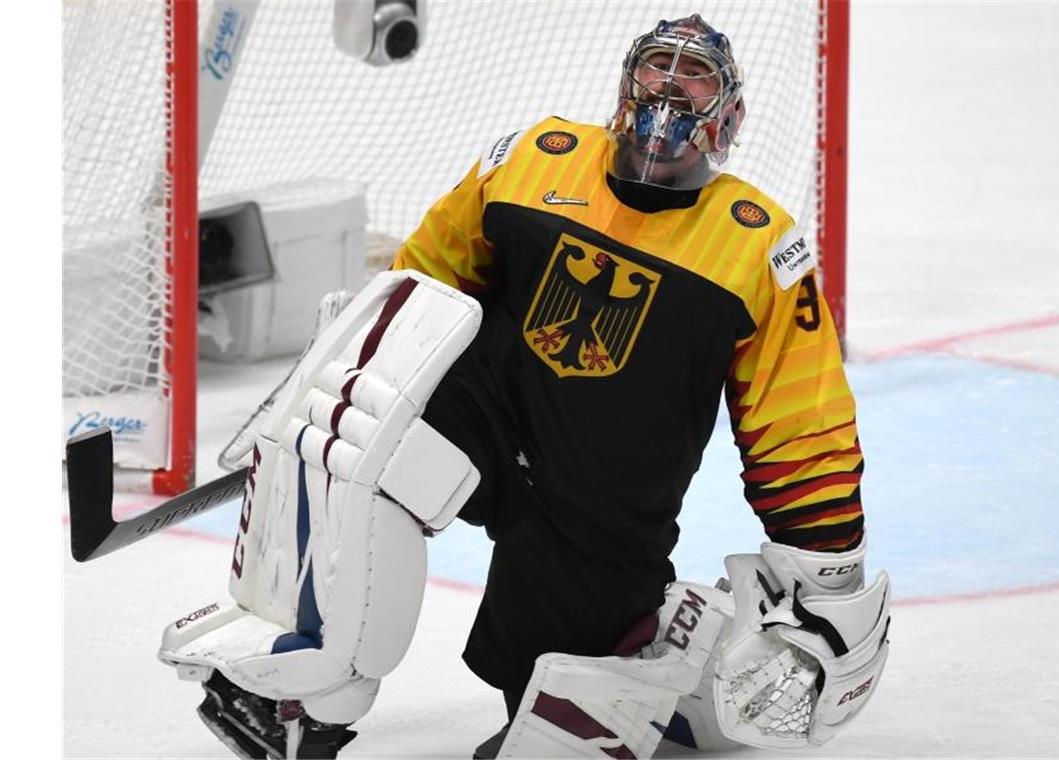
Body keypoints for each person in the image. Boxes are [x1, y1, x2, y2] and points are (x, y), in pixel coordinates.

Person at [158, 15, 890, 760]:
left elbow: (802, 425)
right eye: (657, 65)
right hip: (487, 418)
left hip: (601, 501)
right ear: (624, 83)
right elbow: (423, 283)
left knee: (559, 717)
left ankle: (654, 644)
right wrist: (343, 372)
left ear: (728, 116)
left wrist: (826, 567)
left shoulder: (760, 245)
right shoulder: (540, 158)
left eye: (693, 74)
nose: (669, 86)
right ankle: (295, 696)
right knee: (356, 429)